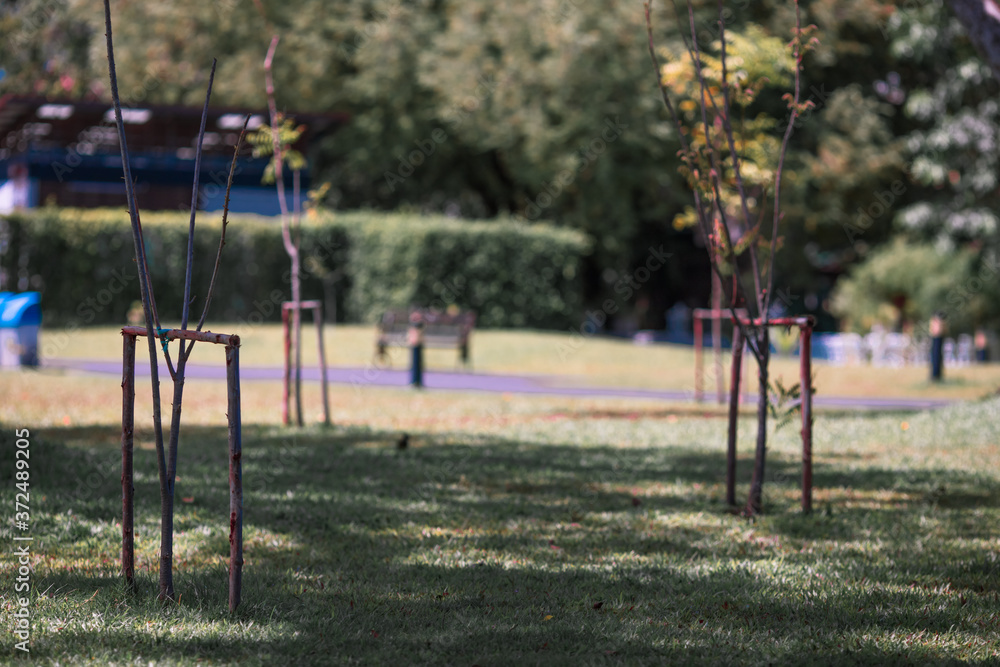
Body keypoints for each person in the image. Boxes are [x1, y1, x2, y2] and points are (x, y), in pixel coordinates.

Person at [929, 313, 945, 381]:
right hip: (936, 339)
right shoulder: (938, 322)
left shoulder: (938, 322)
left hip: (937, 339)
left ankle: (936, 375)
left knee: (936, 356)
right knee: (935, 357)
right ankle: (935, 375)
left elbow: (937, 331)